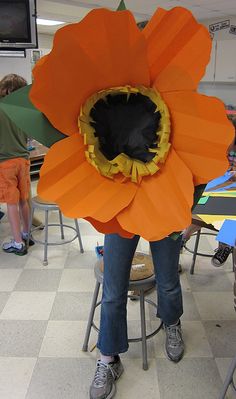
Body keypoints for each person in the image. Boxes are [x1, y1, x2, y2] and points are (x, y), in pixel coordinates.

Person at [89, 185, 206, 399]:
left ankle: (172, 322)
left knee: (168, 279)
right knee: (113, 290)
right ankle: (108, 358)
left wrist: (187, 205)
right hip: (121, 201)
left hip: (164, 201)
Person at [181, 116, 236, 268]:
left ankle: (224, 247)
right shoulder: (212, 152)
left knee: (232, 212)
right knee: (202, 207)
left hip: (231, 197)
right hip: (211, 194)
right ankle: (183, 237)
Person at [0, 74, 31, 255]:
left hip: (4, 163)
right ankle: (26, 234)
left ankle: (18, 243)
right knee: (23, 200)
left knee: (11, 203)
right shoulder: (23, 109)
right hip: (24, 161)